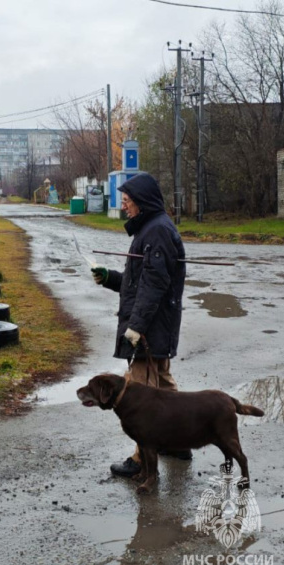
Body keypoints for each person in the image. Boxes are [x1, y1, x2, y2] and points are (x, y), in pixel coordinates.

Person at [90, 173, 188, 478]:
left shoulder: (157, 231)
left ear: (143, 202)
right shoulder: (151, 228)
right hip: (154, 324)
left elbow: (154, 285)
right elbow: (137, 284)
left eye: (128, 201)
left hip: (150, 328)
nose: (124, 207)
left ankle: (142, 460)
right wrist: (109, 278)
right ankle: (179, 441)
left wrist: (136, 327)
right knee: (165, 385)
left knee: (143, 393)